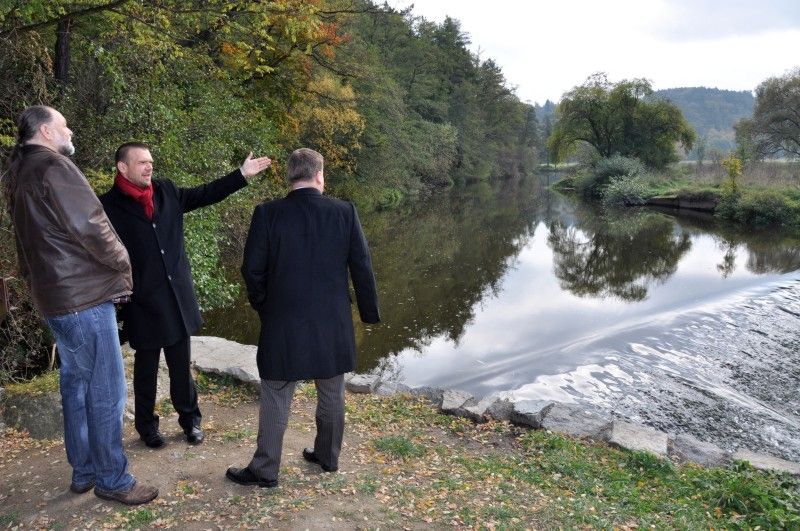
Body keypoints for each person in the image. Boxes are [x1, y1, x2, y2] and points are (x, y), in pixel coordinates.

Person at [3, 106, 158, 505]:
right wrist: (123, 263)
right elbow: (90, 223)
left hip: (54, 294)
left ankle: (85, 470)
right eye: (63, 125)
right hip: (82, 295)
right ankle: (113, 479)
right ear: (45, 131)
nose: (70, 129)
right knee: (106, 388)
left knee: (76, 384)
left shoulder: (20, 172)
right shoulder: (54, 168)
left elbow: (26, 241)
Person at [100, 143, 272, 448]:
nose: (149, 167)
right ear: (122, 168)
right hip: (141, 303)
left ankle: (190, 421)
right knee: (146, 371)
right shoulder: (106, 207)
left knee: (181, 366)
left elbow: (205, 193)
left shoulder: (166, 191)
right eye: (141, 162)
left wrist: (241, 175)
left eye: (150, 161)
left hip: (176, 298)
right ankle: (147, 428)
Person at [227, 147, 380, 488]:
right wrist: (367, 313)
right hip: (332, 323)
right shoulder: (345, 212)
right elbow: (362, 268)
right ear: (319, 175)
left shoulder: (267, 213)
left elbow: (252, 271)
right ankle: (328, 456)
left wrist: (267, 308)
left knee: (276, 392)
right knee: (331, 391)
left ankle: (265, 469)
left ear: (290, 176)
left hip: (283, 322)